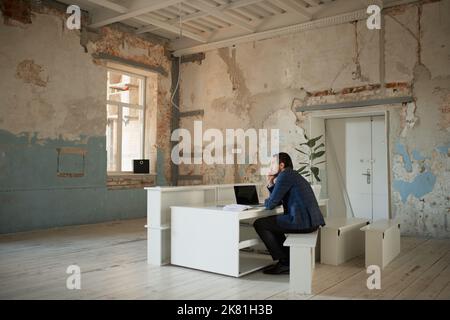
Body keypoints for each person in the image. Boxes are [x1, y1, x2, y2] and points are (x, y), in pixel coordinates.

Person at [254, 152, 326, 275]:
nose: (270, 167)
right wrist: (271, 183)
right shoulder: (292, 175)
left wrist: (266, 200)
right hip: (310, 220)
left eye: (272, 164)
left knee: (260, 223)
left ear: (281, 165)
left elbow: (271, 204)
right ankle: (286, 260)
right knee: (272, 224)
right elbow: (277, 200)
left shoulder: (284, 176)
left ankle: (285, 263)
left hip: (302, 221)